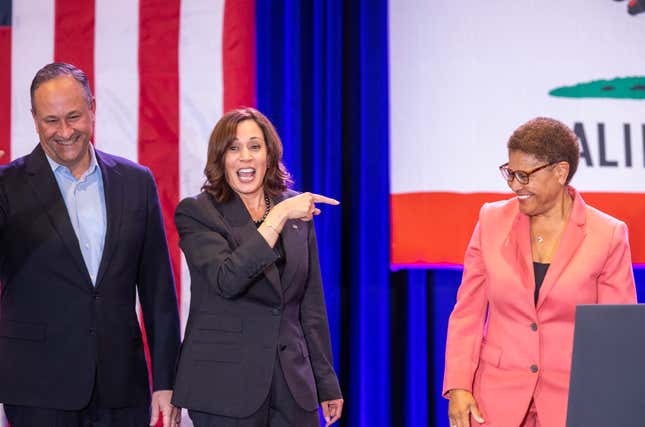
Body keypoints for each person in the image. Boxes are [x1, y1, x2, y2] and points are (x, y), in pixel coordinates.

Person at [0, 62, 181, 426]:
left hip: (122, 388)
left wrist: (167, 380)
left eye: (74, 116)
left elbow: (158, 292)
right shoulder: (6, 186)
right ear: (34, 119)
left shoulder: (136, 182)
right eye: (51, 120)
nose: (64, 131)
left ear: (93, 109)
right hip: (37, 390)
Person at [443, 117, 637, 427]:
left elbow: (616, 338)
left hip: (573, 403)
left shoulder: (608, 234)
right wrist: (459, 386)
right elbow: (467, 313)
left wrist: (611, 407)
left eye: (524, 175)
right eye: (509, 173)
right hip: (493, 401)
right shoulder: (491, 220)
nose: (514, 185)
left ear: (560, 172)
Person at [171, 107, 343, 426]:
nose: (245, 157)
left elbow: (311, 304)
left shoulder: (292, 208)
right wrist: (277, 218)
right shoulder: (197, 212)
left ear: (269, 155)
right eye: (234, 148)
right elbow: (227, 279)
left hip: (293, 387)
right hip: (224, 390)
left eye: (255, 146)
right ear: (221, 158)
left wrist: (325, 381)